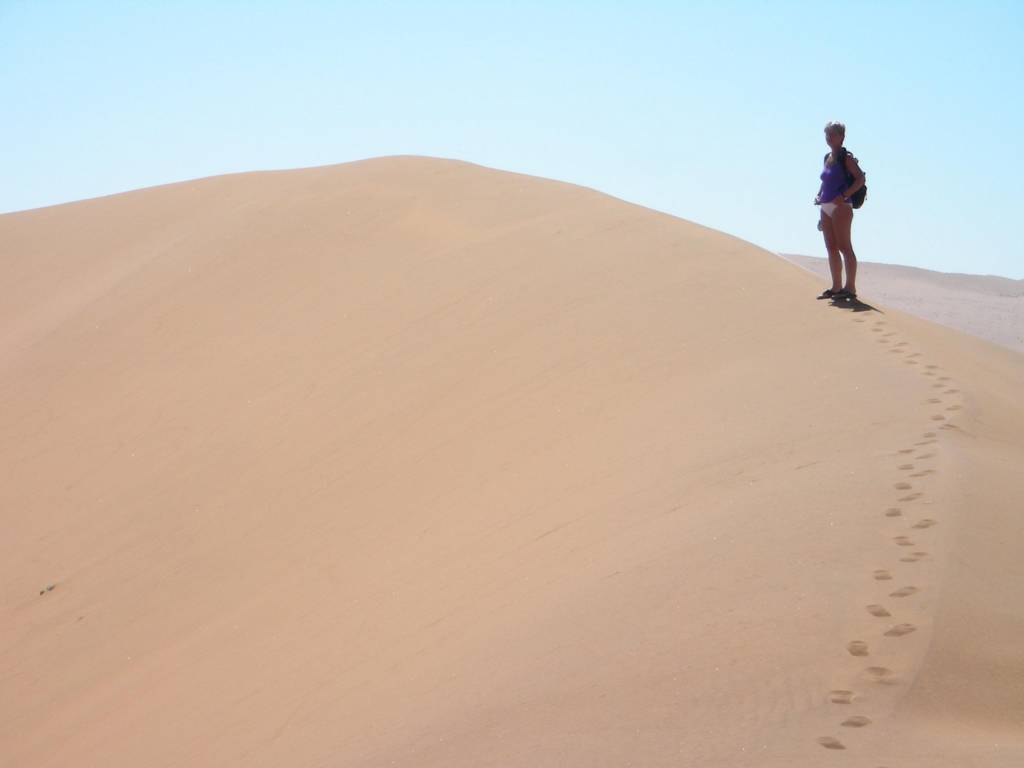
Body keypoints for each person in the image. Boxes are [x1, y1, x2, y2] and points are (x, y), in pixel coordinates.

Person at [814, 121, 866, 300]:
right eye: (827, 134)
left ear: (841, 137)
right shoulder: (827, 157)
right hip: (825, 206)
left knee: (844, 246)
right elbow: (825, 180)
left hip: (841, 206)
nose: (828, 137)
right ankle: (836, 287)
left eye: (832, 134)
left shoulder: (846, 158)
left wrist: (844, 195)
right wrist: (819, 194)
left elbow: (860, 179)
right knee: (831, 247)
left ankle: (850, 288)